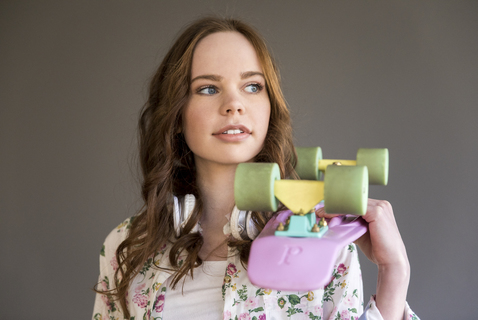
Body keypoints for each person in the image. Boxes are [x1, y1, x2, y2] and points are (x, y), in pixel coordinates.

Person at [92, 17, 420, 320]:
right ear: (177, 115)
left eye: (252, 86)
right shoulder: (127, 246)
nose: (234, 104)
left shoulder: (325, 237)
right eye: (208, 88)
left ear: (269, 107)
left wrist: (395, 273)